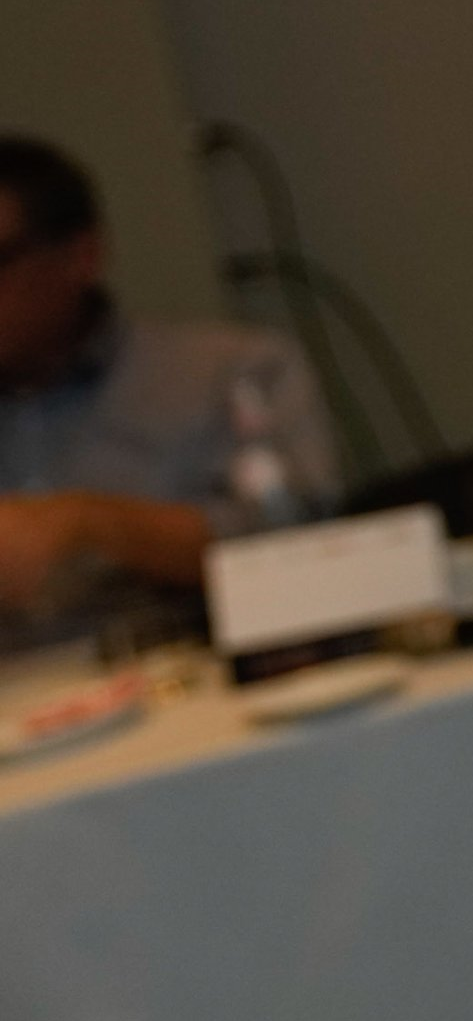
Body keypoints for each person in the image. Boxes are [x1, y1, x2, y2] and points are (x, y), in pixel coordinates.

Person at [0, 133, 336, 649]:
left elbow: (310, 553)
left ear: (80, 257)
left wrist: (93, 525)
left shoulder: (232, 372)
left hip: (209, 687)